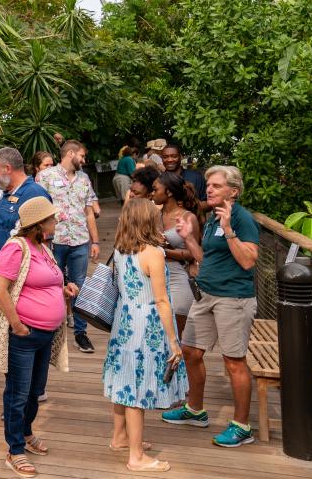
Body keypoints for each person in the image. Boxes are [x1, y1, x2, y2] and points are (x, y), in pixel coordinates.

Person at [162, 166, 260, 448]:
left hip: (233, 298)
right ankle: (195, 410)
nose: (210, 189)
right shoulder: (215, 218)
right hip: (205, 295)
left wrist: (229, 229)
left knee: (233, 361)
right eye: (209, 184)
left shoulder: (240, 219)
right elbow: (205, 260)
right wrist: (190, 238)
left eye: (217, 185)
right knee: (191, 351)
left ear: (234, 191)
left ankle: (242, 427)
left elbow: (248, 261)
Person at [0, 197, 76, 477]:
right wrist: (17, 325)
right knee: (17, 393)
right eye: (51, 218)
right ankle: (14, 450)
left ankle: (24, 434)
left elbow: (43, 283)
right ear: (38, 224)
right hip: (25, 333)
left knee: (35, 390)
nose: (55, 222)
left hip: (45, 334)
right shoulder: (16, 247)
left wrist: (63, 290)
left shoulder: (42, 247)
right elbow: (1, 289)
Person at [103, 198, 187, 473]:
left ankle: (120, 437)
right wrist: (173, 341)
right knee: (137, 391)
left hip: (124, 318)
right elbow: (162, 301)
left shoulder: (120, 249)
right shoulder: (153, 253)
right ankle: (136, 457)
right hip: (146, 323)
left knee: (124, 380)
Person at [36, 140, 101, 353]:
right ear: (70, 153)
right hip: (53, 240)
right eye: (82, 156)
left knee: (79, 285)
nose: (84, 160)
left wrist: (96, 241)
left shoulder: (84, 179)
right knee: (52, 284)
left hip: (80, 240)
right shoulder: (45, 177)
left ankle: (80, 333)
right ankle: (51, 330)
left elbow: (89, 211)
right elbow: (37, 209)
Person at [151, 172, 203, 337]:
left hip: (177, 278)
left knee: (177, 335)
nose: (152, 193)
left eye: (155, 189)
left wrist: (164, 251)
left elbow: (192, 253)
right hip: (153, 278)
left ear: (169, 192)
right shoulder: (153, 215)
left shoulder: (188, 217)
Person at [0, 147, 52, 270]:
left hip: (15, 275)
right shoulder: (7, 192)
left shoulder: (35, 194)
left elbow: (43, 241)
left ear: (7, 168)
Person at [161, 144, 208, 210]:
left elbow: (208, 204)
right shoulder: (158, 180)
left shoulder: (196, 177)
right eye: (165, 157)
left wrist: (190, 205)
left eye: (174, 156)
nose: (170, 160)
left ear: (181, 157)